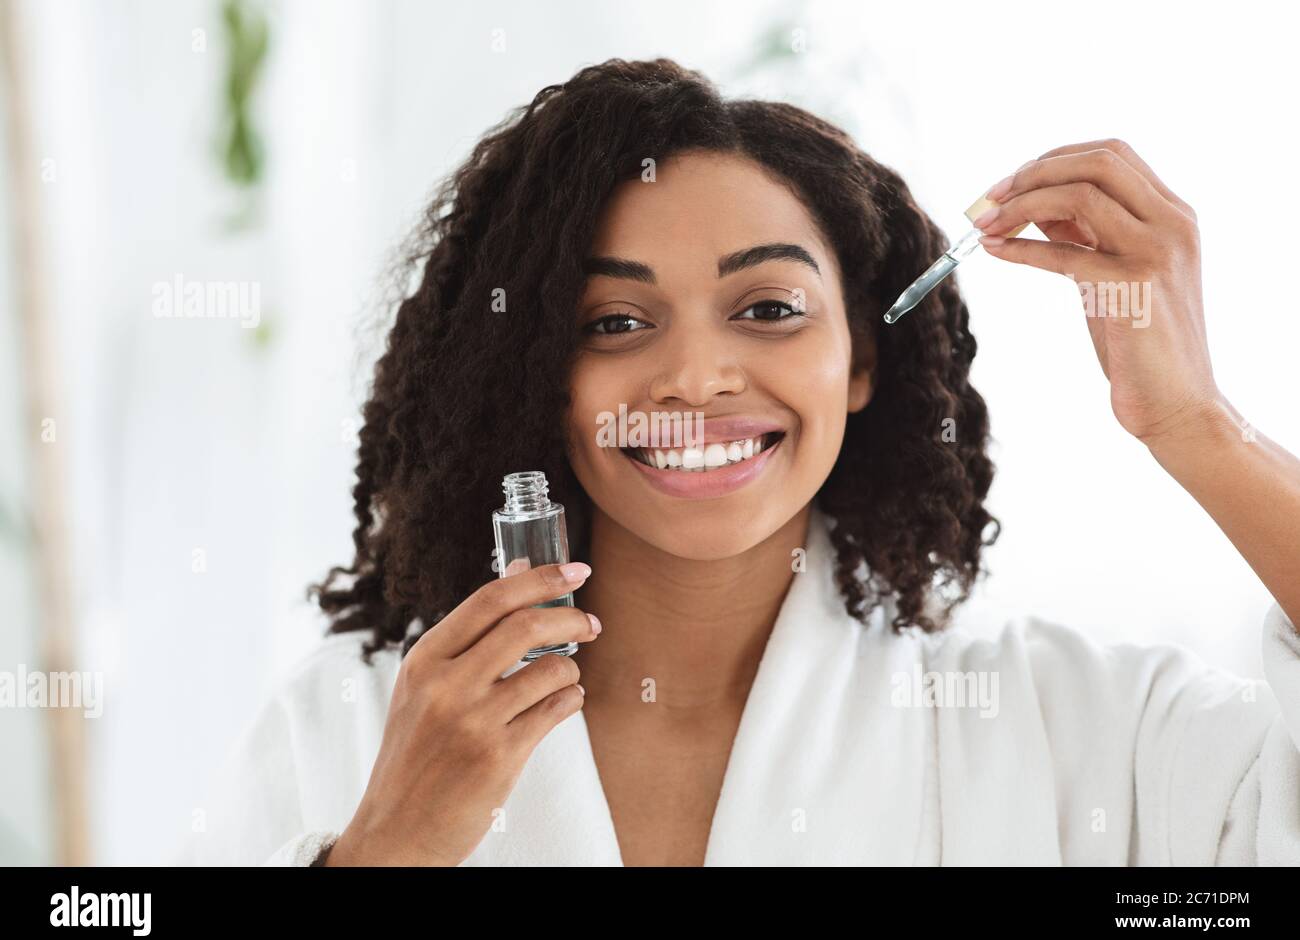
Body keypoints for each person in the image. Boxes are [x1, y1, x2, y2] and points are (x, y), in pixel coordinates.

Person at [173, 58, 1300, 867]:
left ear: (863, 357)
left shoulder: (1067, 726)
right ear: (539, 377)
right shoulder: (346, 735)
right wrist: (391, 851)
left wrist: (1200, 427)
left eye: (767, 307)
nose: (696, 377)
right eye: (615, 323)